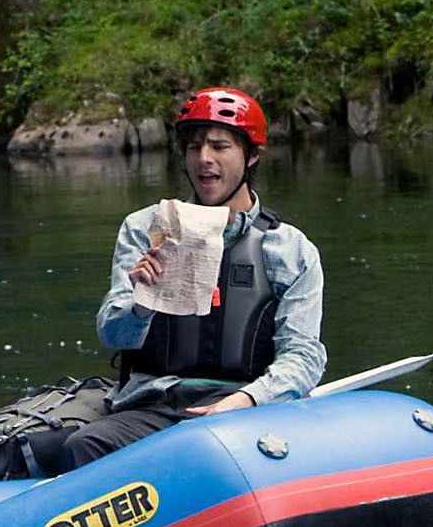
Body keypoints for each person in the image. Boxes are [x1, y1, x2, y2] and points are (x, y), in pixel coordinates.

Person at [63, 87, 326, 469]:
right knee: (85, 445)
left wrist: (247, 400)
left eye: (220, 147)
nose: (204, 159)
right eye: (194, 148)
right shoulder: (146, 229)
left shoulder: (290, 250)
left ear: (252, 155)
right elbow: (112, 335)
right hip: (155, 406)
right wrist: (140, 304)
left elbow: (302, 355)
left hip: (244, 409)